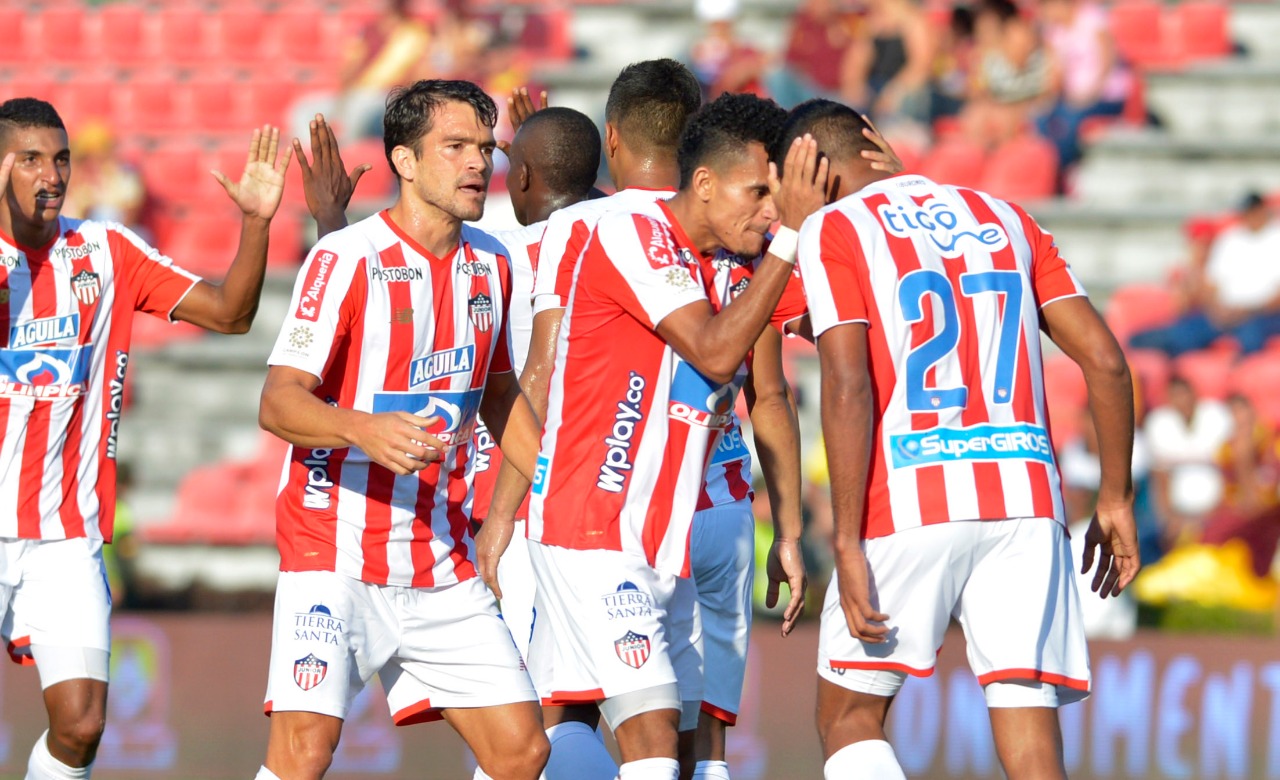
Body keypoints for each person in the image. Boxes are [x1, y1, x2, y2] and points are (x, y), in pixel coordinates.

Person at [787, 98, 1140, 779]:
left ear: (811, 166)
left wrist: (846, 538)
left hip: (908, 497)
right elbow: (1104, 360)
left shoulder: (833, 230)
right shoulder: (1007, 216)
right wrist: (1117, 499)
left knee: (848, 718)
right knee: (1032, 742)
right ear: (877, 144)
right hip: (1028, 503)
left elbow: (849, 386)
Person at [495, 92, 828, 780]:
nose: (771, 211)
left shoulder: (737, 259)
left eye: (779, 197)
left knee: (611, 738)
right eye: (759, 192)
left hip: (666, 540)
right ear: (702, 182)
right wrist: (792, 241)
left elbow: (780, 383)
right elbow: (710, 351)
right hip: (592, 527)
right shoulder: (632, 235)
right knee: (647, 739)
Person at [255, 80, 549, 780]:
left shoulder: (493, 263)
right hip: (334, 549)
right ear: (406, 162)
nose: (479, 163)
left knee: (521, 751)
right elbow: (277, 403)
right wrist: (361, 428)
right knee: (303, 756)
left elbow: (501, 397)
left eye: (484, 147)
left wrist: (558, 483)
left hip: (439, 557)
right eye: (455, 147)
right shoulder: (345, 258)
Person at [0, 97, 292, 780]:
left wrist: (254, 223)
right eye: (31, 160)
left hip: (63, 534)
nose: (52, 174)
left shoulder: (105, 252)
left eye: (61, 158)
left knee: (81, 726)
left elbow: (230, 314)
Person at [1130, 192, 1280, 357]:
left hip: (1263, 314)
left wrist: (1249, 311)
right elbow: (1212, 284)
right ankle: (1134, 344)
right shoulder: (1231, 239)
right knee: (1184, 335)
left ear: (1262, 210)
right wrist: (1218, 309)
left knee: (1251, 337)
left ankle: (1241, 375)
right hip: (1225, 312)